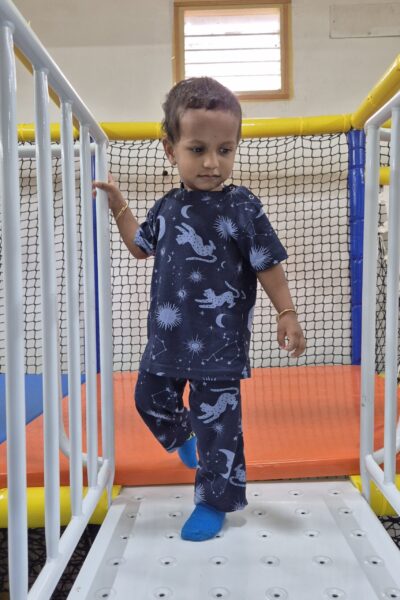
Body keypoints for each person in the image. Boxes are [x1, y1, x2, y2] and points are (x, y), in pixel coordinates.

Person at [93, 76, 305, 542]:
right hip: (168, 337)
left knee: (219, 428)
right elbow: (139, 246)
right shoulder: (168, 206)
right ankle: (182, 438)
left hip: (219, 343)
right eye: (198, 149)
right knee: (148, 398)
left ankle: (213, 501)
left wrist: (286, 312)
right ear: (170, 149)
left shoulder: (243, 206)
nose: (212, 163)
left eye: (224, 150)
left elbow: (268, 263)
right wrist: (119, 206)